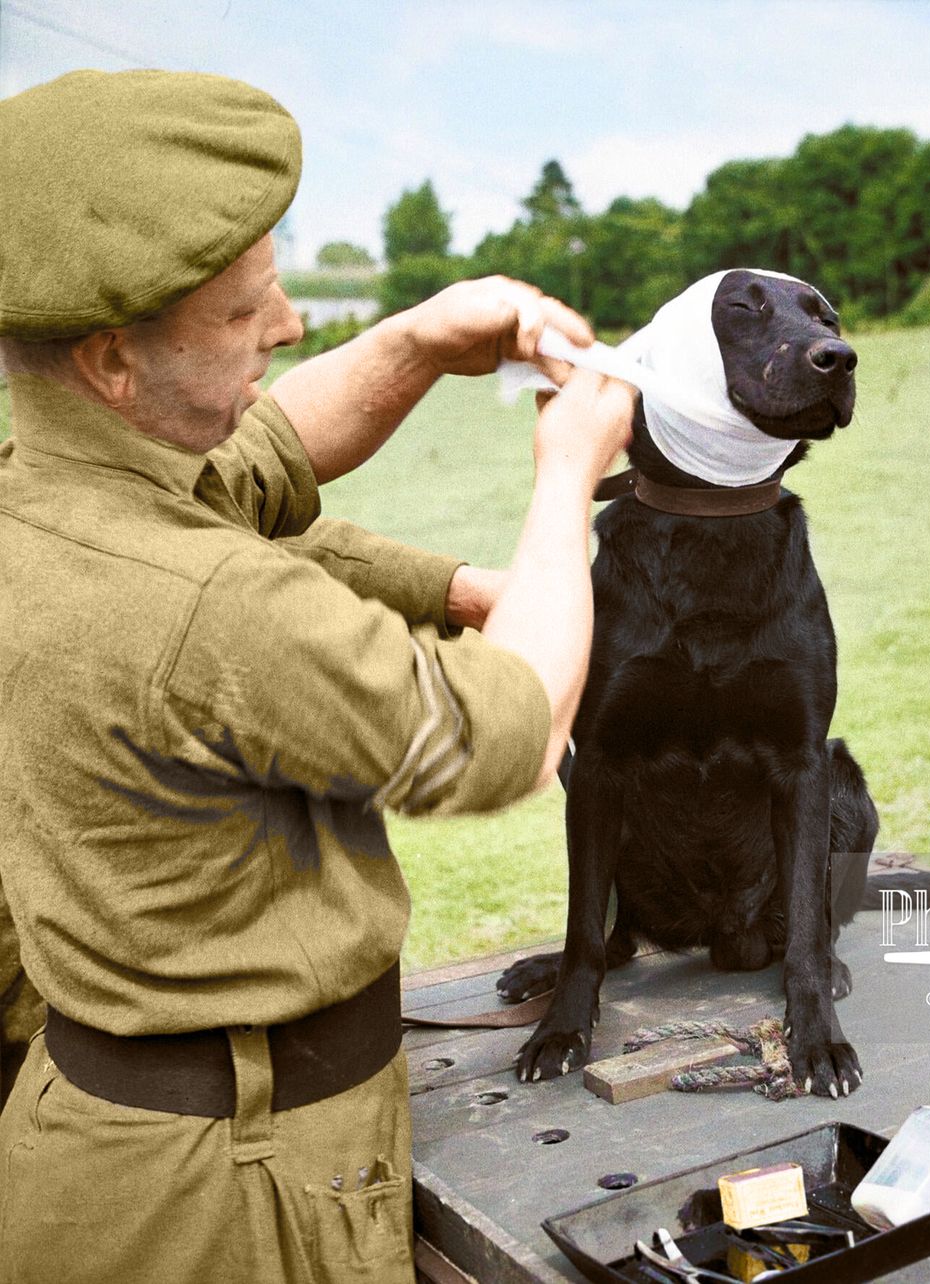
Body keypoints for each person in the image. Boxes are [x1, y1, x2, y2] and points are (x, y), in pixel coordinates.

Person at [0, 69, 632, 1283]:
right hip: (228, 1196)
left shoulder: (46, 487)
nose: (287, 325)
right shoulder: (204, 604)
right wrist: (565, 479)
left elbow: (267, 452)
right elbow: (507, 733)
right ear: (111, 363)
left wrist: (414, 340)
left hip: (124, 1148)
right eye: (245, 314)